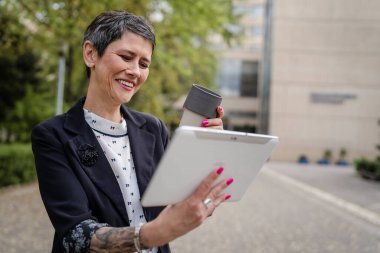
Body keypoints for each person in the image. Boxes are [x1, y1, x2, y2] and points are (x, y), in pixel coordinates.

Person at [31, 10, 233, 253]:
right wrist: (154, 233)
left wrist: (203, 151)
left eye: (144, 64)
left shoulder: (153, 129)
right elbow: (76, 234)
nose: (135, 71)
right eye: (126, 57)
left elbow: (177, 200)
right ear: (90, 53)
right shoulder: (52, 136)